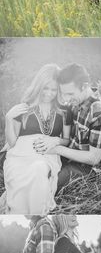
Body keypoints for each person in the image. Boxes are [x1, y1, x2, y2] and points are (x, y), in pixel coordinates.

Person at [2, 64, 72, 215]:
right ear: (39, 86)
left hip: (47, 156)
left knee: (39, 168)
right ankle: (19, 213)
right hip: (19, 157)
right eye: (45, 88)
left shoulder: (65, 111)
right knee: (23, 177)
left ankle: (37, 214)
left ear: (59, 90)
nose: (49, 93)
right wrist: (8, 119)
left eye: (53, 90)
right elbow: (12, 142)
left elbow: (66, 139)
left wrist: (56, 140)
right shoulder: (25, 107)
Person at [35, 63, 101, 192]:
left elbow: (94, 158)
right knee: (34, 171)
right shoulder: (75, 103)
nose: (66, 99)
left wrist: (57, 149)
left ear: (84, 87)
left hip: (87, 169)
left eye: (70, 94)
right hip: (68, 156)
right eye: (64, 94)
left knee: (45, 185)